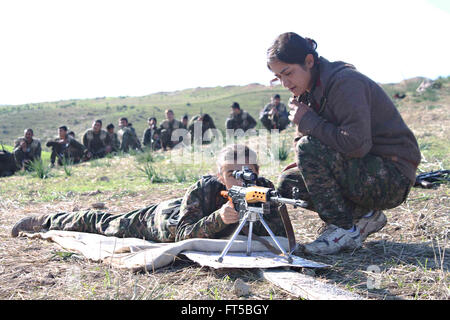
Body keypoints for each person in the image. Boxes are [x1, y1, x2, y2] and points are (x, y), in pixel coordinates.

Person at [267, 32, 421, 255]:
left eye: (288, 73)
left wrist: (309, 125)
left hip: (392, 175)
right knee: (290, 184)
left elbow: (357, 145)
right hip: (362, 168)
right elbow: (306, 139)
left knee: (307, 148)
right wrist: (305, 160)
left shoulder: (345, 83)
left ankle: (343, 229)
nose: (285, 83)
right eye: (278, 77)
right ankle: (365, 217)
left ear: (309, 62)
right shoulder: (306, 91)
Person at [11, 145, 287, 243]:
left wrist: (264, 209)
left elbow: (282, 237)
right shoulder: (204, 187)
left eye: (246, 173)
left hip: (185, 214)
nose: (239, 180)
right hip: (161, 220)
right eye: (231, 174)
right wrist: (220, 218)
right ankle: (45, 220)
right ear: (219, 176)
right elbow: (182, 233)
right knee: (105, 224)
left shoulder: (262, 188)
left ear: (257, 172)